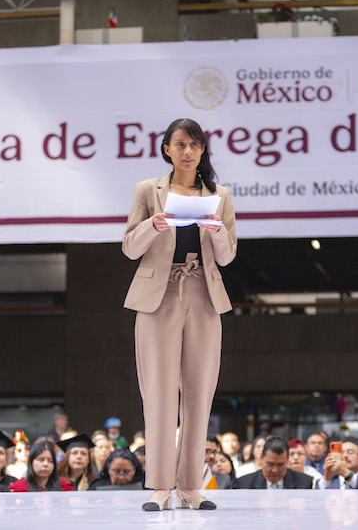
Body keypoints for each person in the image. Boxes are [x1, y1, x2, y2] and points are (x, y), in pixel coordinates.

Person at [122, 117, 237, 512]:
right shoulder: (147, 191)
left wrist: (217, 230)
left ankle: (190, 486)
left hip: (204, 294)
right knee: (158, 392)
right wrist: (152, 226)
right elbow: (129, 248)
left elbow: (228, 256)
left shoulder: (219, 195)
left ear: (203, 150)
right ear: (167, 150)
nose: (188, 151)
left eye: (195, 144)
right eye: (181, 144)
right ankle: (159, 486)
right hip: (159, 294)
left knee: (199, 394)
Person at [235, 436, 313, 490]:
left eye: (280, 465)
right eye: (270, 464)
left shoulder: (304, 483)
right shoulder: (245, 484)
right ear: (262, 458)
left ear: (287, 460)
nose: (275, 470)